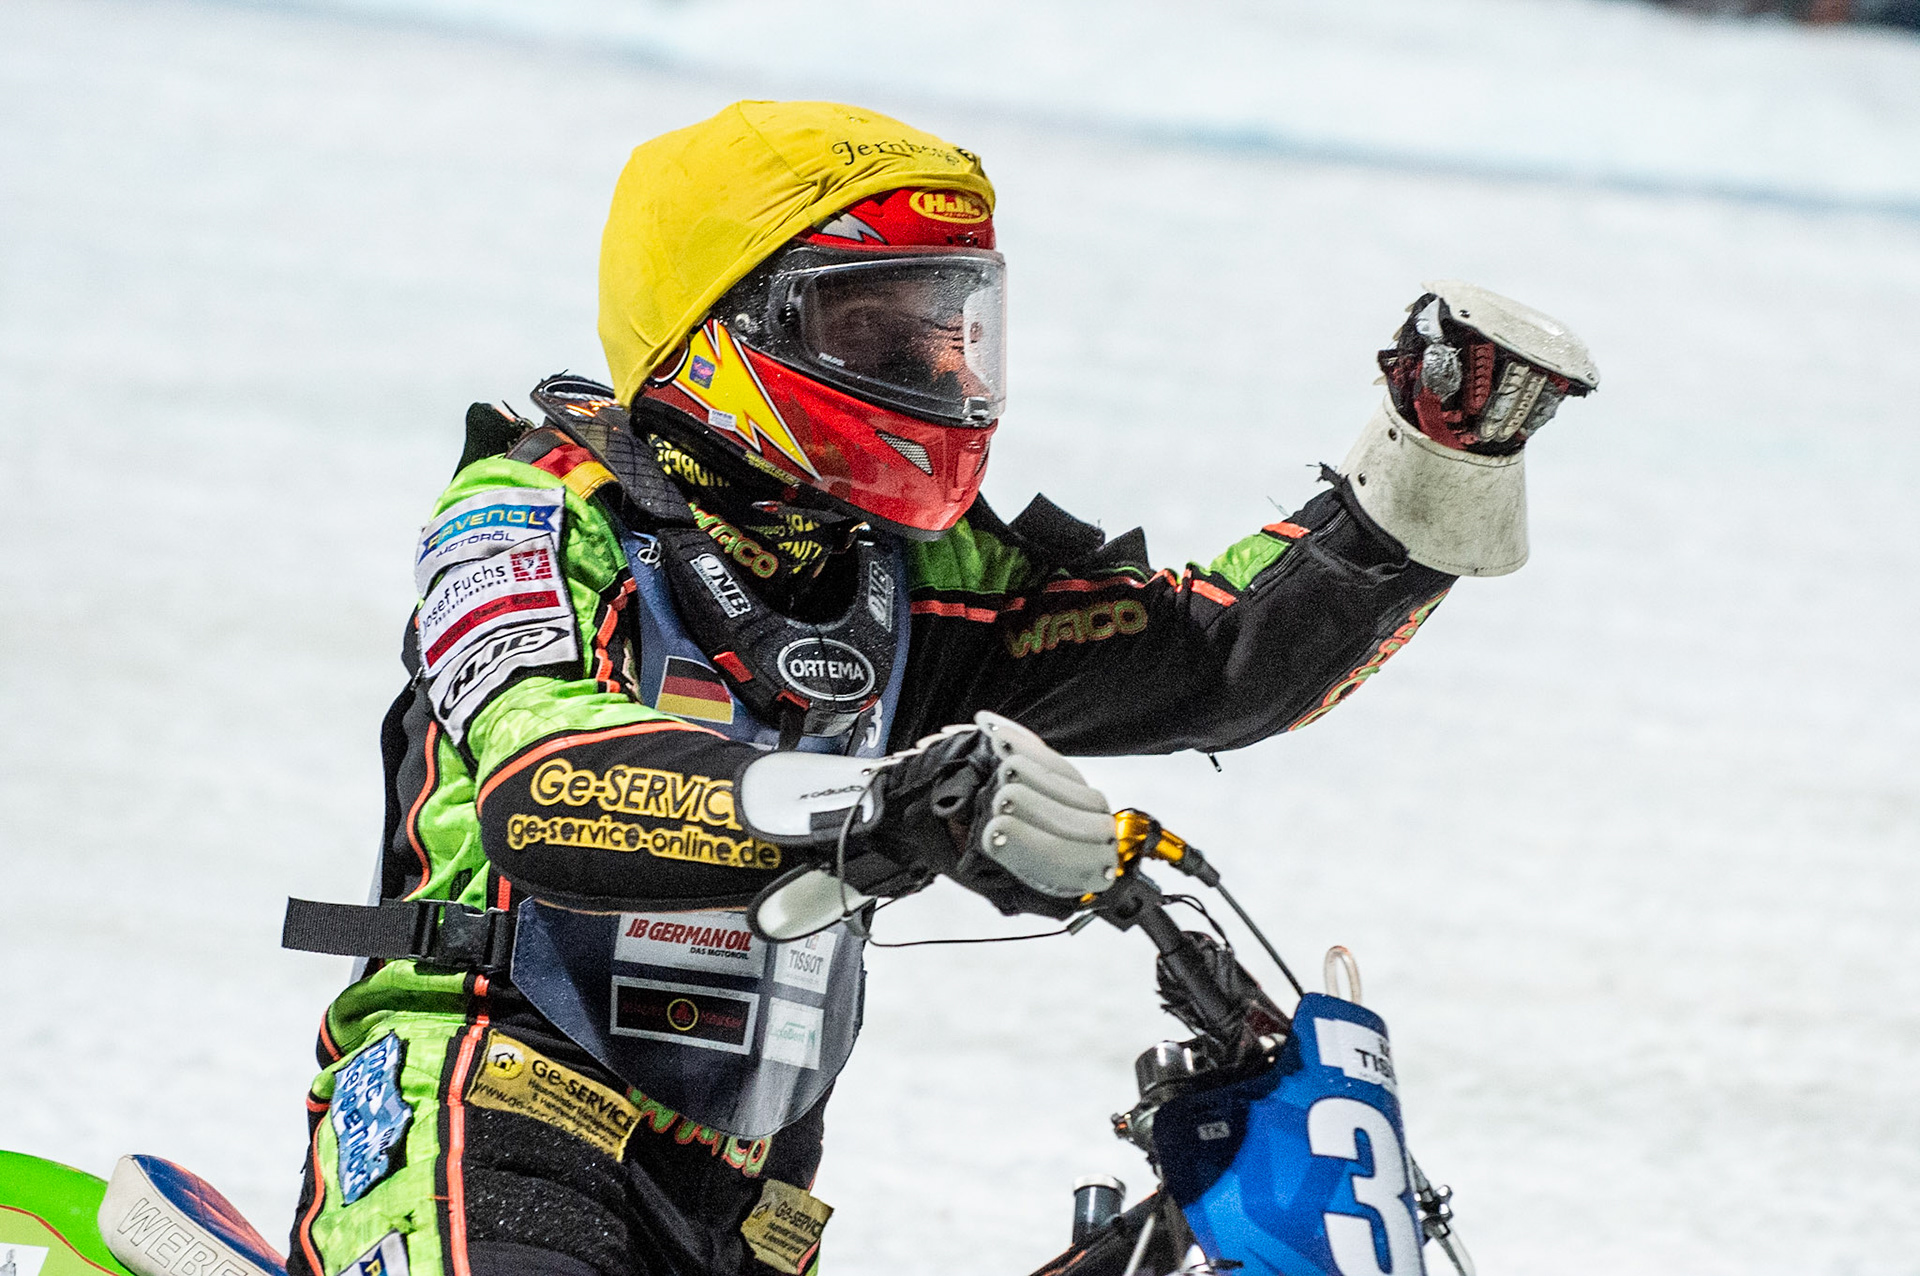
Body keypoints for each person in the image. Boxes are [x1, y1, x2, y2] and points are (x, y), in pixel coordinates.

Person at [279, 100, 1596, 1276]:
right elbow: (543, 783)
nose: (950, 377)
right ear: (722, 328)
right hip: (488, 1120)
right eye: (882, 331)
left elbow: (1214, 657)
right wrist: (884, 802)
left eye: (956, 328)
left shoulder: (922, 582)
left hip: (750, 1197)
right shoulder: (532, 514)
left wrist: (1429, 466)